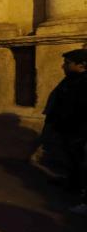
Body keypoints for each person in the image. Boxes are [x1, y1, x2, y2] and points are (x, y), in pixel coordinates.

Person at [43, 48, 87, 214]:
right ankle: (73, 183)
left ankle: (81, 192)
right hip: (68, 129)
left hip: (78, 131)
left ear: (82, 65)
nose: (63, 66)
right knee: (72, 159)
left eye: (68, 63)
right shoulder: (72, 79)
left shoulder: (83, 82)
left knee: (80, 161)